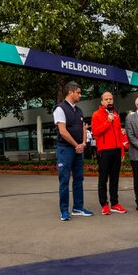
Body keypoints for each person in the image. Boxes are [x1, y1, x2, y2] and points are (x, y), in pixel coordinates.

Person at [54, 81, 93, 220]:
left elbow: (83, 129)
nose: (80, 95)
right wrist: (76, 144)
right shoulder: (60, 109)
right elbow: (63, 131)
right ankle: (64, 211)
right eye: (78, 92)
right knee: (64, 180)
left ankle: (78, 207)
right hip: (65, 149)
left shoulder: (79, 110)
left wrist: (82, 143)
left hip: (78, 149)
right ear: (70, 92)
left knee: (78, 179)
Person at [91, 91, 126, 215]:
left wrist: (122, 152)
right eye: (106, 99)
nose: (109, 101)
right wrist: (108, 121)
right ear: (102, 102)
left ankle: (115, 203)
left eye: (111, 99)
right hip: (104, 151)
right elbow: (95, 132)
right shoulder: (96, 114)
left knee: (115, 179)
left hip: (116, 150)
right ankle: (104, 204)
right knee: (103, 178)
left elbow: (119, 136)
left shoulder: (116, 114)